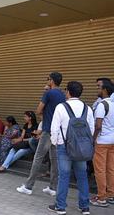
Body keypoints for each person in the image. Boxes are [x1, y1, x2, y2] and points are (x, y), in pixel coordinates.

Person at [47, 81, 94, 215]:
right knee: (82, 177)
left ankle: (60, 207)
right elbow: (90, 130)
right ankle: (84, 207)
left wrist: (56, 143)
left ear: (68, 92)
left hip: (64, 146)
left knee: (64, 176)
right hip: (82, 148)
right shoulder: (87, 108)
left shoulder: (61, 107)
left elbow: (54, 128)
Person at [17, 72, 66, 196]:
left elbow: (38, 110)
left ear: (52, 81)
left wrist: (44, 110)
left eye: (47, 79)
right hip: (58, 131)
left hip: (47, 130)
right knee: (54, 160)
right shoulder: (62, 94)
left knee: (38, 157)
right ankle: (53, 187)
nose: (46, 81)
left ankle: (28, 186)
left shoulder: (48, 93)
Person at [90, 80, 114, 207]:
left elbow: (98, 126)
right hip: (112, 141)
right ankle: (111, 194)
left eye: (99, 87)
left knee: (100, 170)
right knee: (111, 169)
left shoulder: (101, 105)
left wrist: (93, 139)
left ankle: (101, 198)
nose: (97, 89)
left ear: (105, 90)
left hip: (102, 141)